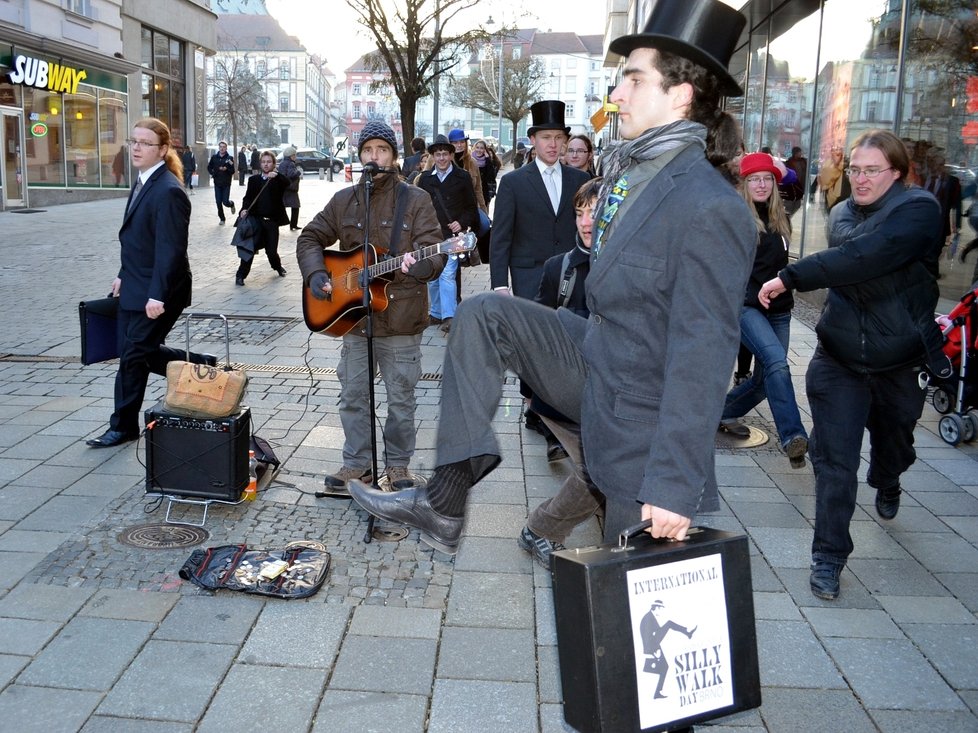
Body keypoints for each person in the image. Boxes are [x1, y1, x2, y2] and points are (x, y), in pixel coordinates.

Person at [347, 0, 755, 556]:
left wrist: (674, 484)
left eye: (633, 80)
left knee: (634, 619)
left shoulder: (710, 204)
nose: (617, 95)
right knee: (486, 312)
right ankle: (445, 501)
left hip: (642, 414)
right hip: (597, 357)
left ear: (680, 95)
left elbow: (705, 351)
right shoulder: (633, 171)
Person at [757, 130, 943, 601]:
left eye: (871, 170)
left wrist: (790, 276)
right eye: (854, 170)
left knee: (895, 440)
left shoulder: (920, 211)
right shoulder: (840, 213)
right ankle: (828, 557)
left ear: (897, 172)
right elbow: (850, 258)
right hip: (839, 359)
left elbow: (865, 256)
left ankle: (888, 476)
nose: (859, 179)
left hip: (899, 361)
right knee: (835, 461)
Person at [297, 120, 446, 493]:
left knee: (401, 399)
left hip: (401, 319)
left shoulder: (416, 200)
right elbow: (311, 237)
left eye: (381, 150)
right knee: (352, 396)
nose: (373, 157)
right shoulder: (343, 199)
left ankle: (397, 466)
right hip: (354, 321)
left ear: (394, 157)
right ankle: (358, 465)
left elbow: (436, 253)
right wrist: (317, 274)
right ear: (360, 155)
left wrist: (422, 263)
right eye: (368, 150)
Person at [87, 117, 213, 448]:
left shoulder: (169, 191)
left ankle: (123, 425)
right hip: (134, 286)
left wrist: (157, 295)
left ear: (163, 149)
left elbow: (170, 251)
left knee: (132, 355)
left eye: (146, 143)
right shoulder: (143, 182)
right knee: (134, 354)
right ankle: (202, 367)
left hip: (159, 292)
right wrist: (121, 275)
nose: (137, 148)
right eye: (134, 141)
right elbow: (138, 241)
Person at [488, 100, 591, 459]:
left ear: (565, 142)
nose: (552, 144)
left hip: (572, 275)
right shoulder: (514, 182)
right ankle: (548, 425)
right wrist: (499, 283)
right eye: (545, 137)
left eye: (558, 138)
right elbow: (500, 236)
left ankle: (548, 414)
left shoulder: (581, 181)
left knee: (568, 347)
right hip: (530, 275)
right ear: (533, 140)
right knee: (538, 347)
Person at [518, 177, 603, 567]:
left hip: (608, 392)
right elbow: (535, 330)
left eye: (596, 211)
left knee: (611, 468)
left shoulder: (629, 266)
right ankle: (541, 528)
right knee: (599, 469)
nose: (586, 221)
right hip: (563, 395)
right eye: (580, 212)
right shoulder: (560, 268)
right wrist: (532, 391)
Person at [718, 153, 809, 467]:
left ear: (774, 182)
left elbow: (796, 183)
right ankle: (792, 435)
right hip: (747, 307)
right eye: (753, 178)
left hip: (780, 310)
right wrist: (752, 294)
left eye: (767, 178)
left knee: (762, 380)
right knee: (777, 364)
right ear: (743, 184)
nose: (760, 184)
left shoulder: (781, 214)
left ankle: (716, 413)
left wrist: (783, 169)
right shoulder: (736, 217)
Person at [415, 134, 479, 335]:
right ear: (433, 156)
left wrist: (461, 221)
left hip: (453, 236)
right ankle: (435, 312)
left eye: (445, 154)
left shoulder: (462, 177)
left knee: (448, 273)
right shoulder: (425, 179)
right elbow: (418, 208)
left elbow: (471, 208)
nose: (441, 158)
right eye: (438, 154)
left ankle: (449, 316)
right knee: (433, 275)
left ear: (451, 155)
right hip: (430, 235)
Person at [235, 150, 289, 286]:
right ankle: (240, 275)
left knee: (271, 251)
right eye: (264, 162)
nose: (266, 164)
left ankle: (277, 267)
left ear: (273, 163)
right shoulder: (253, 180)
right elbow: (248, 198)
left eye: (269, 162)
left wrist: (276, 175)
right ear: (260, 164)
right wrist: (243, 210)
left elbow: (287, 183)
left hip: (271, 222)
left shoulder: (277, 180)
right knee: (249, 249)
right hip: (255, 221)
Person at [206, 141, 235, 224]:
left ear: (226, 148)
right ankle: (222, 219)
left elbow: (233, 170)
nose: (222, 148)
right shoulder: (214, 157)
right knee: (218, 202)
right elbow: (209, 167)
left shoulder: (230, 158)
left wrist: (226, 169)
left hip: (226, 183)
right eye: (221, 147)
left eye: (224, 147)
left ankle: (231, 204)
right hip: (217, 183)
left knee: (225, 202)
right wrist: (212, 173)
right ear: (219, 148)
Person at [817, 144, 848, 212]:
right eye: (834, 150)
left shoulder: (846, 163)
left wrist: (837, 163)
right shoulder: (828, 162)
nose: (836, 152)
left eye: (838, 149)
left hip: (842, 193)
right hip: (830, 192)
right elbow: (824, 176)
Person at [278, 146, 302, 231]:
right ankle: (293, 225)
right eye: (294, 155)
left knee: (281, 206)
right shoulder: (291, 164)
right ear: (291, 156)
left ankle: (277, 223)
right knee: (295, 207)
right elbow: (291, 174)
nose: (295, 157)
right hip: (291, 189)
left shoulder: (282, 163)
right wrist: (298, 172)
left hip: (283, 188)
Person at [471, 139, 501, 207]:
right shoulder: (470, 159)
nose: (479, 150)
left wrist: (487, 159)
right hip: (471, 192)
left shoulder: (487, 161)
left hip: (483, 191)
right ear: (474, 148)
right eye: (477, 147)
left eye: (481, 148)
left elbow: (491, 176)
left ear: (485, 150)